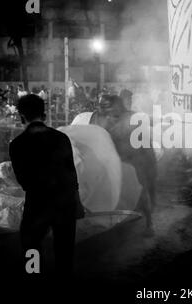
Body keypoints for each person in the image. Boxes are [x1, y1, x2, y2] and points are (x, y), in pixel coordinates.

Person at [9, 94, 84, 277]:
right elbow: (71, 174)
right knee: (64, 249)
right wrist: (78, 202)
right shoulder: (61, 138)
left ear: (21, 117)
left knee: (31, 243)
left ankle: (33, 274)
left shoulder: (17, 144)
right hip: (65, 203)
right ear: (44, 115)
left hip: (38, 204)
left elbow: (23, 180)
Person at [91, 95, 157, 236]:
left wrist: (148, 161)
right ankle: (122, 220)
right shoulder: (102, 119)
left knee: (142, 191)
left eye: (106, 105)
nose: (103, 108)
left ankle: (150, 224)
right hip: (117, 161)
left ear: (117, 105)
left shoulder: (133, 118)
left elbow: (145, 141)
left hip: (136, 161)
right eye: (101, 105)